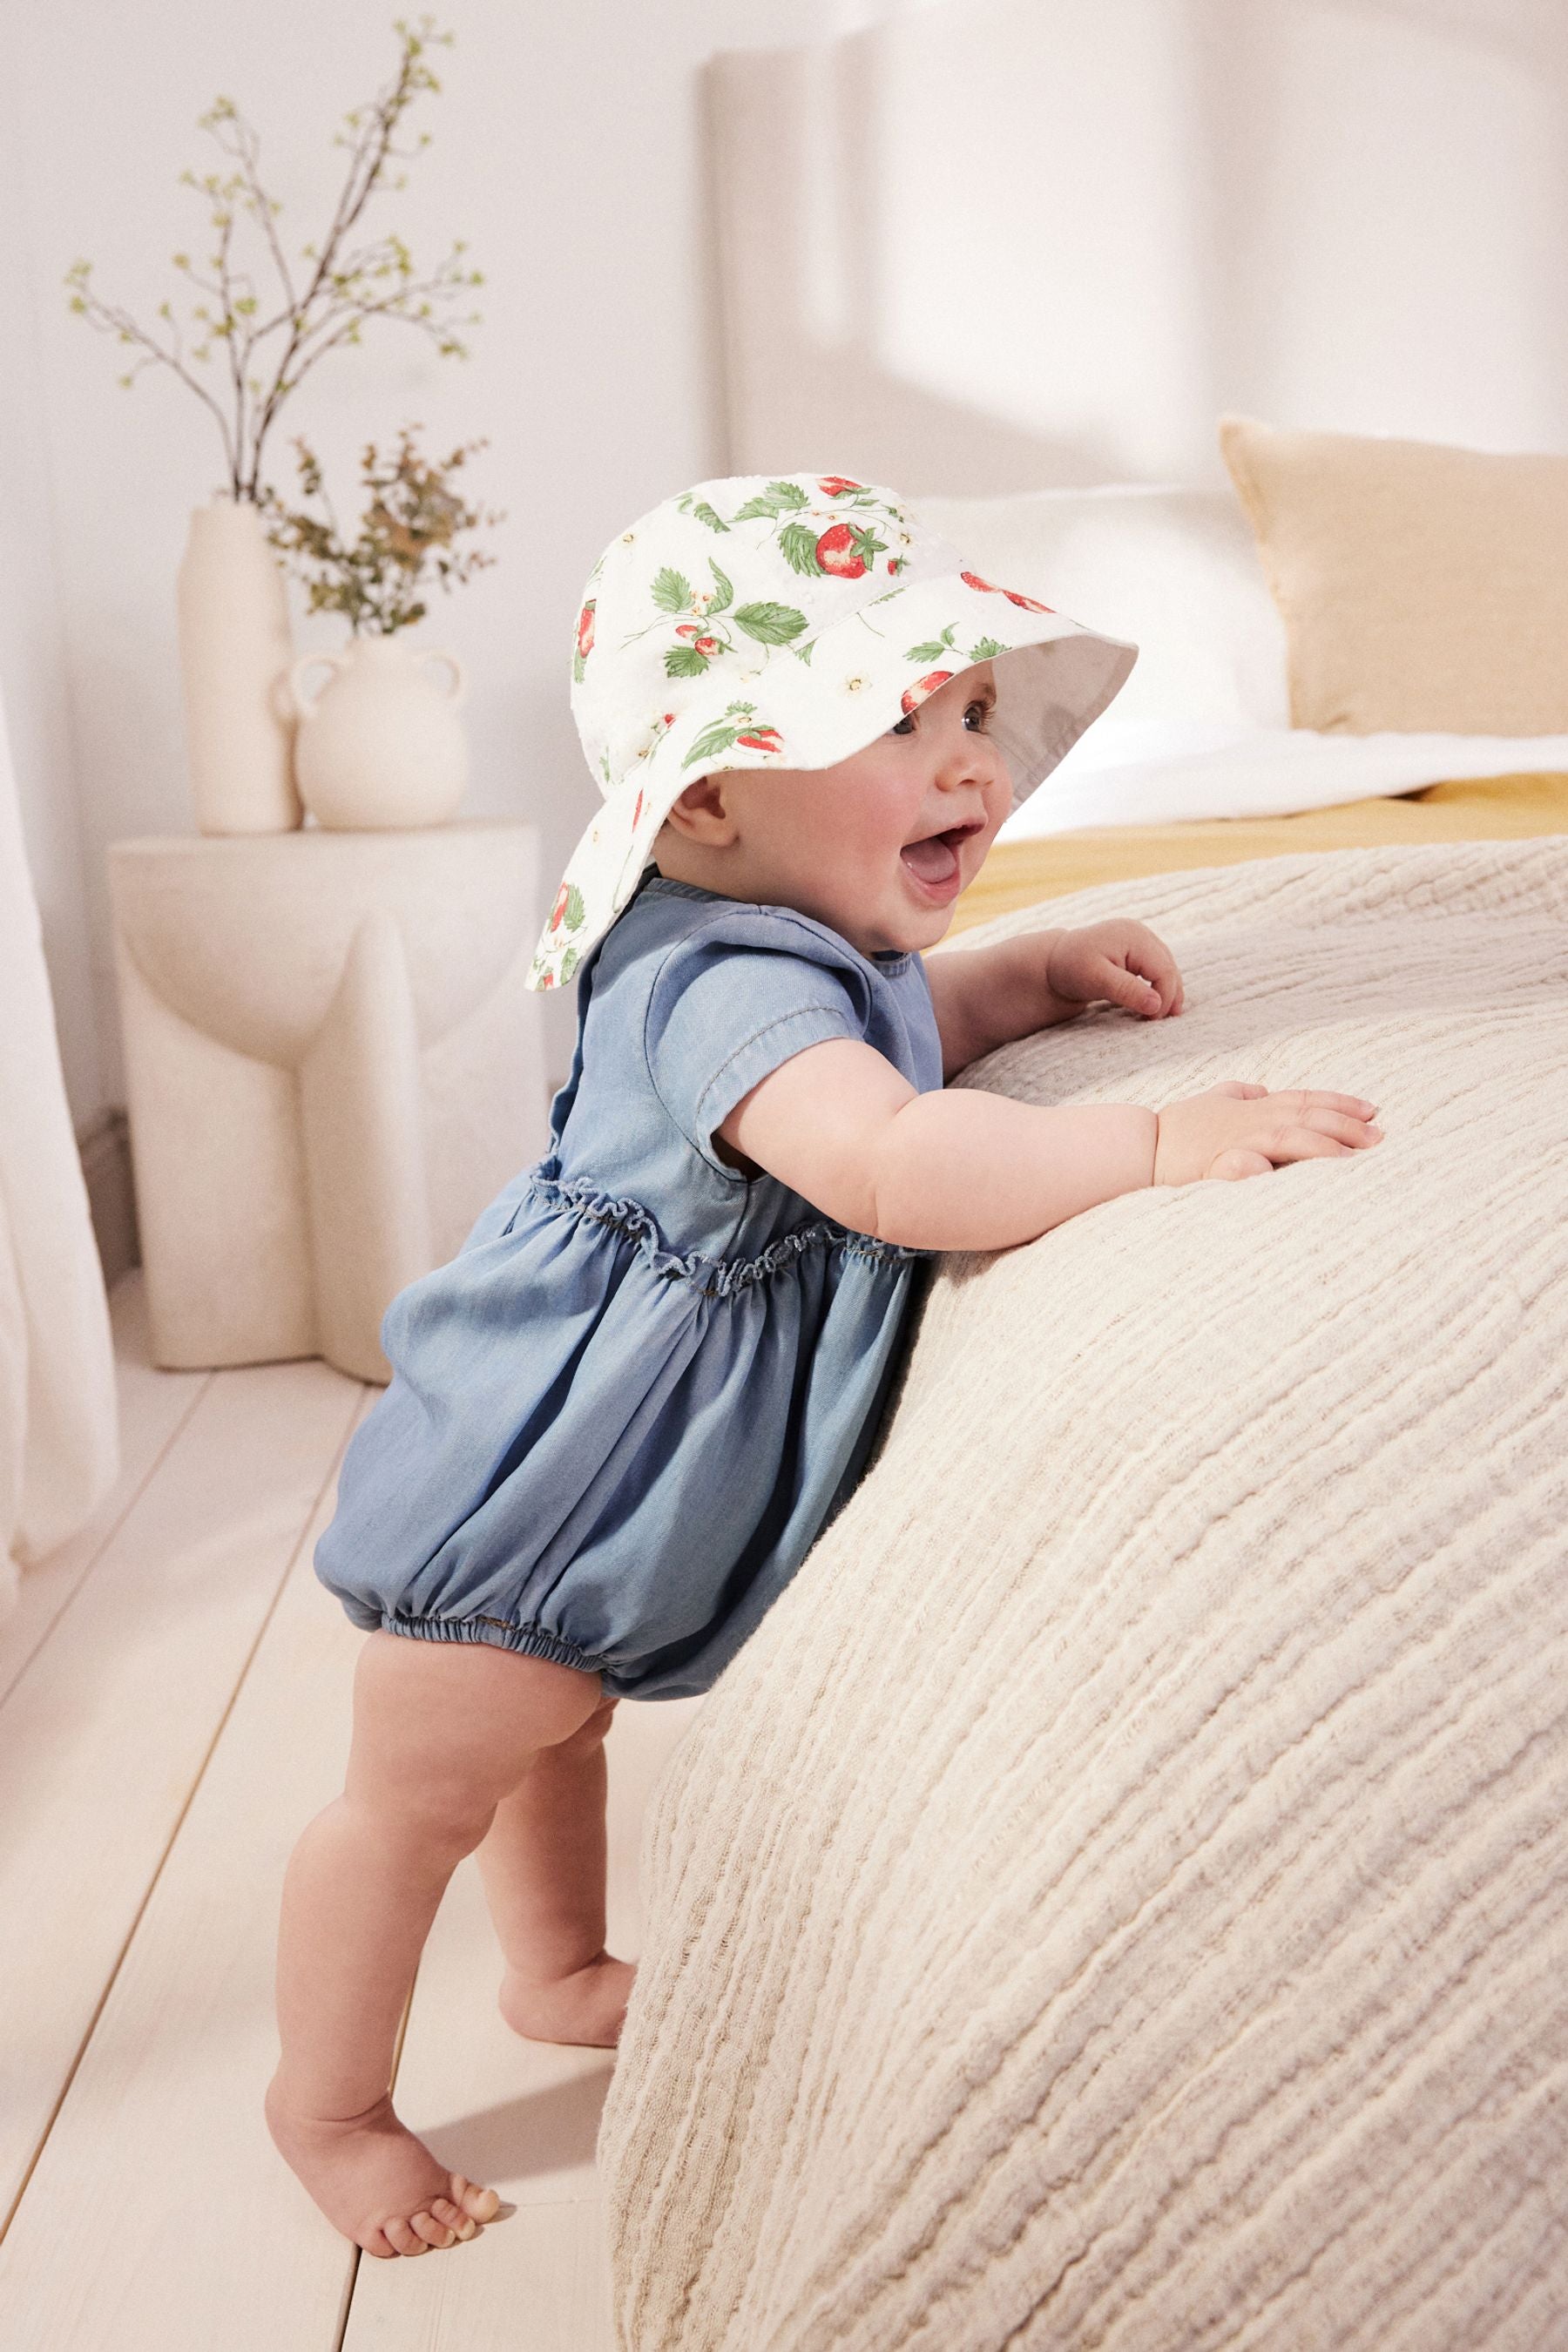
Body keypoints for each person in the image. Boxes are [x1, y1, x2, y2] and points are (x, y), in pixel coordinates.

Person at [266, 472, 1382, 2257]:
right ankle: (324, 2107)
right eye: (897, 721)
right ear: (706, 792)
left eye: (971, 715)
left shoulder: (811, 942)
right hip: (526, 1487)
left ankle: (552, 1971)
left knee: (563, 1735)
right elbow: (891, 1162)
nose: (971, 765)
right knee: (415, 1803)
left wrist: (1013, 980)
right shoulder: (710, 980)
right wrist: (1156, 1145)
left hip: (612, 1490)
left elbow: (889, 1033)